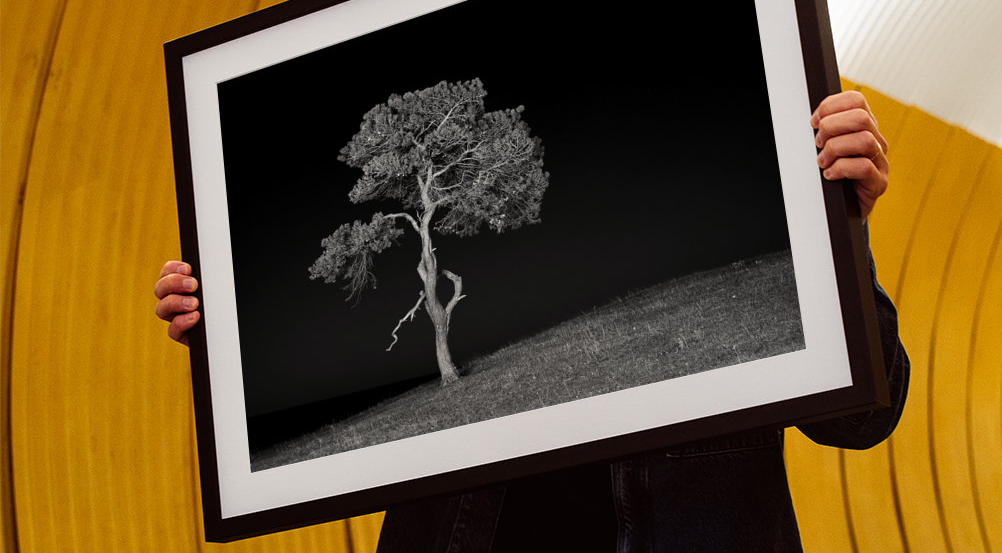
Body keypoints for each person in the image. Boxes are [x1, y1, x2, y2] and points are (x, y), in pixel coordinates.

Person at [155, 91, 909, 552]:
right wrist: (237, 335)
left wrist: (840, 226)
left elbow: (864, 417)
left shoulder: (763, 183)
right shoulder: (485, 257)